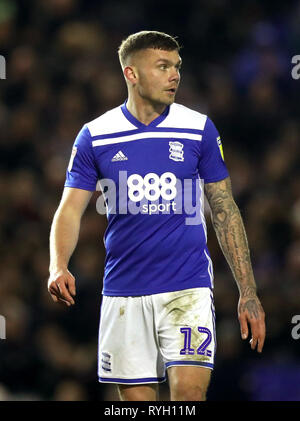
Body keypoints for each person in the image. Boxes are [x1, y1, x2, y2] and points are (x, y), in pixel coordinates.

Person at [48, 30, 266, 401]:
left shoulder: (198, 129)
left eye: (177, 67)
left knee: (189, 396)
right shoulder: (95, 136)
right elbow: (69, 209)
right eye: (163, 66)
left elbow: (225, 209)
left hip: (188, 288)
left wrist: (248, 290)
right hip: (124, 294)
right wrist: (58, 265)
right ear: (131, 74)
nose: (174, 75)